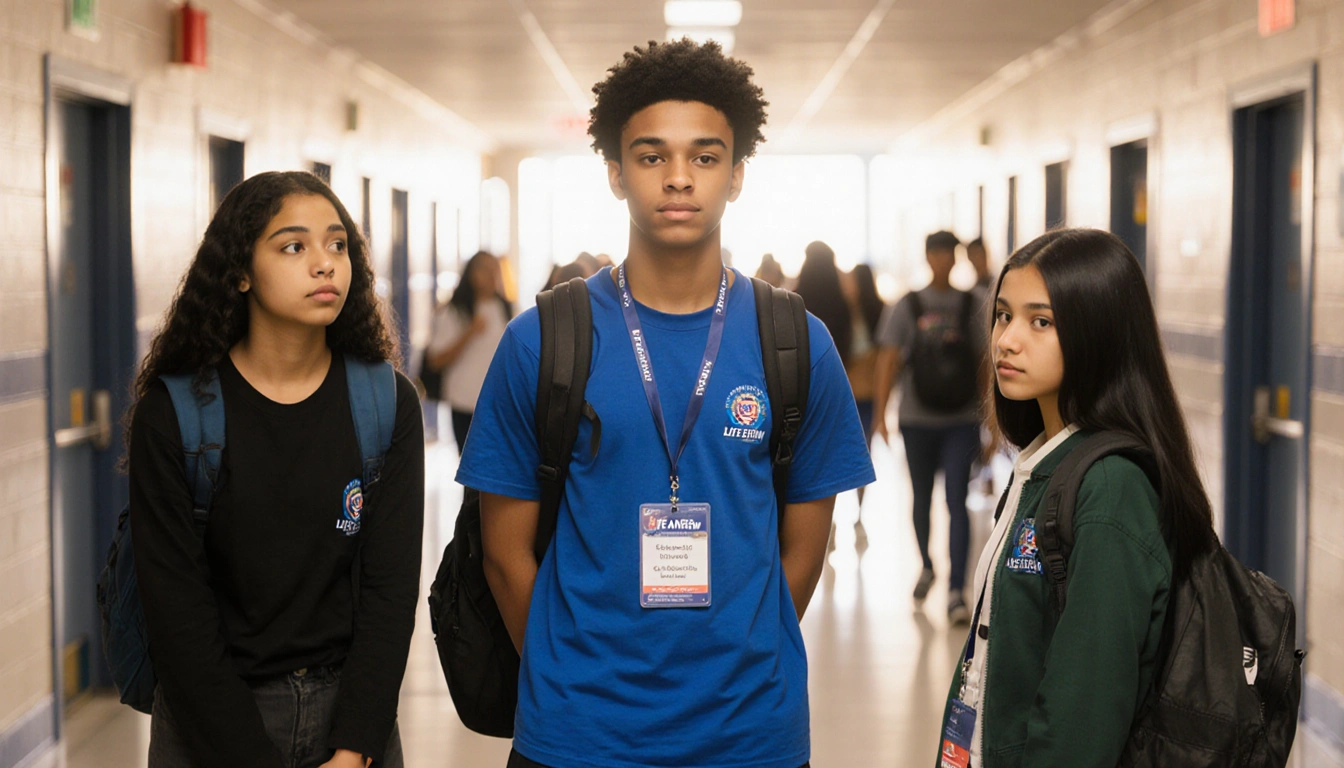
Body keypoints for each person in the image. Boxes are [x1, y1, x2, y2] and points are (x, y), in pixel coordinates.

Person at [457, 39, 874, 768]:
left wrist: (740, 657)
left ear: (737, 175)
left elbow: (804, 553)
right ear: (616, 173)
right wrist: (569, 679)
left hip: (750, 734)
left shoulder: (794, 342)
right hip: (577, 736)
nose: (679, 178)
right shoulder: (542, 341)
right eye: (651, 157)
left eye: (705, 157)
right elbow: (502, 556)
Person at [127, 171, 424, 768]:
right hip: (211, 719)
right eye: (294, 246)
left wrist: (354, 745)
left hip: (351, 718)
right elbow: (176, 610)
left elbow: (390, 591)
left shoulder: (385, 402)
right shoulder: (176, 414)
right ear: (240, 272)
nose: (325, 265)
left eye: (337, 245)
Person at [938, 227, 1216, 766]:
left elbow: (1082, 718)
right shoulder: (1046, 463)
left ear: (1099, 333)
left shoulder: (1110, 488)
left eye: (1041, 321)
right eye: (1003, 315)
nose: (1007, 340)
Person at [873, 230, 985, 624]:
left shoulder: (974, 303)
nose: (943, 261)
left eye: (948, 255)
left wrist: (990, 420)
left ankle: (957, 590)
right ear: (927, 257)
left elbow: (986, 362)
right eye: (936, 254)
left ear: (956, 259)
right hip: (917, 420)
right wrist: (881, 416)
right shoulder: (909, 304)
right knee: (921, 497)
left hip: (962, 419)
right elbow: (887, 358)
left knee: (957, 499)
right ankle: (926, 565)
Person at [426, 251, 512, 452]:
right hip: (464, 402)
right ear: (471, 273)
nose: (491, 275)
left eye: (495, 269)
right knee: (469, 470)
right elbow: (435, 361)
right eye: (485, 269)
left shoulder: (506, 308)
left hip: (498, 404)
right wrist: (469, 333)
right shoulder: (452, 311)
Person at [842, 263, 885, 513]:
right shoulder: (842, 312)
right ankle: (842, 514)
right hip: (850, 395)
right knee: (844, 454)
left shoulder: (877, 312)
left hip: (866, 393)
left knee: (863, 454)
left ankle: (859, 509)